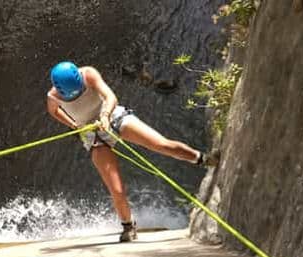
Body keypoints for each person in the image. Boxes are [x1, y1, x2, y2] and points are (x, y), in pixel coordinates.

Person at [46, 61, 218, 242]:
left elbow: (110, 97)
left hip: (113, 117)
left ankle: (202, 159)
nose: (77, 93)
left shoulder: (88, 74)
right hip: (93, 135)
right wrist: (74, 125)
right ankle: (128, 226)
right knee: (116, 189)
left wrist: (104, 115)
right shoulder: (53, 96)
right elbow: (54, 111)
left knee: (162, 144)